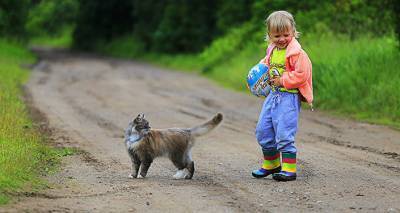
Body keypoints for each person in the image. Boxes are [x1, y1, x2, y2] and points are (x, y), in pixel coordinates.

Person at [251, 10, 313, 181]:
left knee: (284, 132)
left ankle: (289, 169)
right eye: (277, 35)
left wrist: (283, 80)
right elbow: (266, 63)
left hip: (288, 98)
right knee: (263, 130)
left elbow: (302, 75)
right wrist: (257, 73)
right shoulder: (272, 49)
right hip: (273, 96)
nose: (282, 39)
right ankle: (271, 165)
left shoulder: (297, 54)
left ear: (293, 31)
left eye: (286, 34)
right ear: (269, 35)